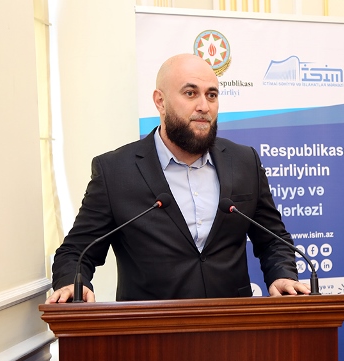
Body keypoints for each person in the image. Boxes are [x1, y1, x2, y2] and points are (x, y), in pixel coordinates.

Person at [46, 53, 310, 303]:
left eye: (212, 95)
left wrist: (282, 274)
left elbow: (273, 239)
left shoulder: (244, 161)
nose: (204, 106)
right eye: (190, 93)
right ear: (160, 101)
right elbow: (76, 251)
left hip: (232, 323)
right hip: (150, 326)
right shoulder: (115, 171)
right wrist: (72, 283)